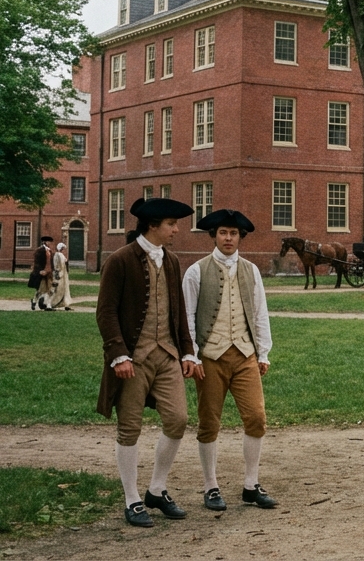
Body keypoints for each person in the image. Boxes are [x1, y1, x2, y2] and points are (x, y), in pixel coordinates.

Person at [96, 197, 200, 528]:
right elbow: (106, 312)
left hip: (166, 354)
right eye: (171, 224)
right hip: (133, 358)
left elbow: (178, 310)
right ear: (153, 226)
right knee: (129, 427)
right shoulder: (120, 260)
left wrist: (187, 351)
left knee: (178, 419)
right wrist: (118, 354)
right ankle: (132, 499)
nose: (176, 230)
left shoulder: (172, 261)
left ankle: (156, 489)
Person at [183, 209, 278, 512]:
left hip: (245, 355)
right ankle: (211, 486)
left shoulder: (251, 270)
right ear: (214, 235)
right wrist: (192, 355)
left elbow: (260, 312)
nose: (228, 238)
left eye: (233, 233)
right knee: (209, 422)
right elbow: (187, 317)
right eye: (223, 232)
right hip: (210, 357)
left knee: (256, 418)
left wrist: (263, 352)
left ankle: (251, 484)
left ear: (240, 237)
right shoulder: (196, 271)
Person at [29, 236, 54, 310]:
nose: (49, 243)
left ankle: (48, 305)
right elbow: (37, 262)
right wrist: (39, 270)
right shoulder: (40, 250)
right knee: (40, 290)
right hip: (42, 272)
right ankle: (34, 301)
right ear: (44, 242)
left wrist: (52, 269)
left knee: (50, 289)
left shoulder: (49, 251)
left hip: (49, 272)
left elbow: (51, 262)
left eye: (50, 242)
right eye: (48, 241)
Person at [50, 242, 73, 310]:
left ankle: (64, 303)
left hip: (61, 274)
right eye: (64, 249)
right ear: (61, 249)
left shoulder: (58, 255)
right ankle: (55, 303)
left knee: (62, 289)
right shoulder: (59, 255)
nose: (65, 251)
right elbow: (59, 266)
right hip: (61, 275)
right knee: (59, 289)